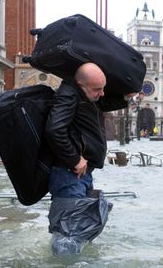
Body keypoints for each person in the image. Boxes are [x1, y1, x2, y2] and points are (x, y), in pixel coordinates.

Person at [44, 62, 134, 255]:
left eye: (102, 88)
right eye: (97, 89)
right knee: (68, 236)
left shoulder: (82, 95)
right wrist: (74, 159)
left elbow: (101, 103)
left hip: (79, 175)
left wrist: (124, 97)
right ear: (80, 84)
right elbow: (54, 130)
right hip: (69, 174)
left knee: (75, 232)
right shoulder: (68, 96)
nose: (101, 93)